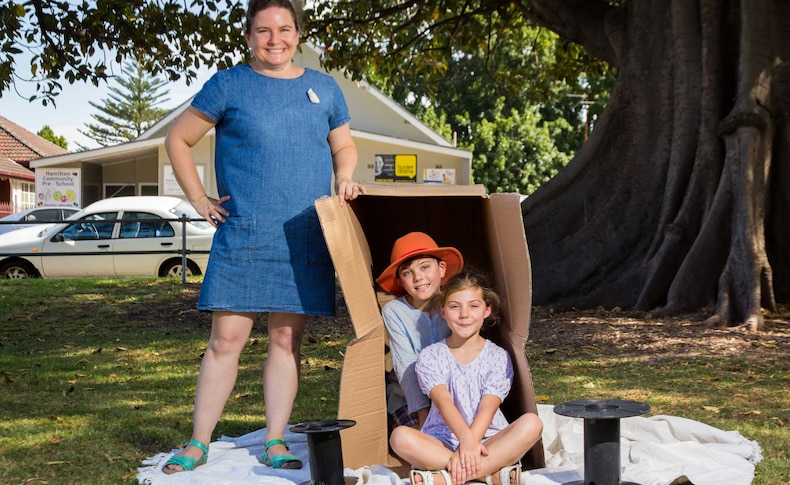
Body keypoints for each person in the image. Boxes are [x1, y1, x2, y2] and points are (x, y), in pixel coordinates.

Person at [161, 0, 366, 474]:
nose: (275, 39)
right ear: (249, 36)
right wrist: (199, 200)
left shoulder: (324, 87)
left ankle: (275, 439)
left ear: (299, 33)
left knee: (285, 341)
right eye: (263, 31)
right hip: (245, 233)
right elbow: (178, 139)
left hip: (304, 236)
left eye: (284, 29)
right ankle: (198, 442)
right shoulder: (229, 84)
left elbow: (345, 145)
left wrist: (344, 176)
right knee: (226, 339)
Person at [389, 272, 543, 485]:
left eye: (473, 306)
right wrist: (465, 440)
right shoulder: (430, 356)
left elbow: (488, 407)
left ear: (486, 310)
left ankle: (449, 478)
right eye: (454, 306)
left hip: (488, 441)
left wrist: (471, 442)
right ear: (443, 312)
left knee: (532, 424)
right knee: (400, 437)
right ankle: (491, 475)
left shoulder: (497, 356)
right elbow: (443, 402)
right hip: (441, 442)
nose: (464, 314)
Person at [375, 232, 464, 429]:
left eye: (425, 267)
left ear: (441, 269)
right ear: (400, 281)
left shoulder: (456, 303)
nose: (418, 277)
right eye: (407, 272)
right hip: (409, 398)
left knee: (459, 432)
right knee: (414, 439)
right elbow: (405, 365)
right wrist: (424, 417)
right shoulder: (395, 311)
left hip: (455, 393)